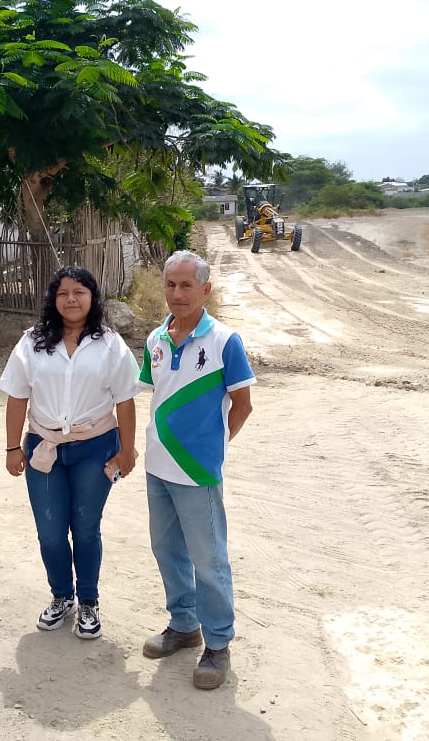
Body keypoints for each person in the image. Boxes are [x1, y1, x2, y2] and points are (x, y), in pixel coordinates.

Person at [0, 266, 139, 639]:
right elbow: (17, 396)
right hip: (43, 447)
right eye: (63, 293)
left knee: (86, 528)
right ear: (53, 299)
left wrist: (127, 451)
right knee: (50, 532)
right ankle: (62, 596)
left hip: (95, 447)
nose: (71, 299)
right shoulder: (32, 342)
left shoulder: (110, 344)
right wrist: (13, 447)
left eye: (79, 292)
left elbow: (125, 400)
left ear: (93, 297)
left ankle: (89, 602)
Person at [138, 250, 254, 689]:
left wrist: (214, 446)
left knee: (209, 560)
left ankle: (218, 643)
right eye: (171, 284)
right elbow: (150, 391)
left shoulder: (225, 341)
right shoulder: (156, 339)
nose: (177, 293)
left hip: (197, 473)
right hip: (157, 467)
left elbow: (242, 405)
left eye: (187, 285)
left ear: (205, 289)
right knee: (167, 550)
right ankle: (184, 625)